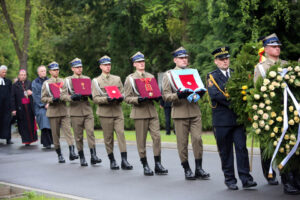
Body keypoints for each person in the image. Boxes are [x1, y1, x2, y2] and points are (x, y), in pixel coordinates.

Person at [254, 34, 299, 195]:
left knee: (294, 144)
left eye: (278, 46)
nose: (277, 48)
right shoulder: (260, 68)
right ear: (266, 49)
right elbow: (259, 92)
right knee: (282, 147)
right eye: (273, 46)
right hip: (274, 113)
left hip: (290, 110)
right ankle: (287, 181)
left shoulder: (286, 64)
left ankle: (297, 179)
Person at [206, 46, 257, 190]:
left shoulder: (236, 74)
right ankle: (230, 179)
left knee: (241, 148)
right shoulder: (212, 76)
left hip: (237, 119)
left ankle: (246, 179)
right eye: (221, 59)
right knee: (226, 151)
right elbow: (216, 95)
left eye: (226, 58)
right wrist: (236, 102)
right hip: (222, 121)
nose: (225, 61)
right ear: (216, 61)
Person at [162, 47, 209, 180]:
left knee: (197, 139)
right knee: (182, 143)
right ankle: (187, 169)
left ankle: (199, 168)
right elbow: (165, 96)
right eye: (181, 58)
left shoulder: (193, 72)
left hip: (194, 110)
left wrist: (200, 93)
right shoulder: (169, 75)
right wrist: (178, 95)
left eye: (186, 58)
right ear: (175, 60)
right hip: (180, 112)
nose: (184, 60)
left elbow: (198, 87)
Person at [124, 52, 168, 176]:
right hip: (139, 112)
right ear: (134, 64)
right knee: (141, 140)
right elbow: (127, 98)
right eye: (138, 62)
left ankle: (158, 164)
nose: (141, 63)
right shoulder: (130, 79)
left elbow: (154, 91)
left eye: (142, 61)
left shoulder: (150, 76)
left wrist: (158, 97)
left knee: (157, 137)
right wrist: (138, 100)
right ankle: (145, 165)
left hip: (152, 111)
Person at [92, 55, 133, 170]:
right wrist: (106, 99)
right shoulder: (96, 81)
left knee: (121, 134)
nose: (108, 67)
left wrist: (121, 97)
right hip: (105, 112)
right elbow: (95, 98)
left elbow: (123, 92)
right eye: (105, 65)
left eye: (109, 64)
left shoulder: (117, 79)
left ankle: (124, 160)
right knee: (108, 138)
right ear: (101, 66)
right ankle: (112, 160)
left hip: (117, 111)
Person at [61, 58, 101, 166]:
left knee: (90, 132)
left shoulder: (87, 79)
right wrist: (71, 97)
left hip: (87, 109)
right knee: (78, 136)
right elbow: (62, 96)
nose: (80, 69)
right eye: (77, 67)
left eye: (81, 67)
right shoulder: (67, 80)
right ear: (73, 68)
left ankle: (93, 155)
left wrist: (91, 95)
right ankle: (82, 157)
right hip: (75, 110)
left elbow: (93, 93)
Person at [41, 62, 78, 163]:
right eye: (54, 70)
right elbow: (43, 98)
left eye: (57, 69)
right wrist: (52, 99)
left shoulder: (63, 81)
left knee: (68, 132)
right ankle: (59, 155)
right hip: (53, 112)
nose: (56, 71)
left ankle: (72, 152)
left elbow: (66, 93)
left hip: (63, 110)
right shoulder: (46, 83)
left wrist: (70, 97)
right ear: (50, 71)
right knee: (55, 135)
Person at [11, 69, 38, 145]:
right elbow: (12, 98)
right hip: (20, 107)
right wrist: (13, 109)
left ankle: (33, 139)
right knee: (23, 124)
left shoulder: (30, 83)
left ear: (26, 76)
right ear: (19, 75)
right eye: (21, 75)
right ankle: (26, 140)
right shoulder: (15, 85)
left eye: (24, 75)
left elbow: (35, 93)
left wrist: (31, 93)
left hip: (29, 107)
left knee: (31, 123)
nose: (23, 76)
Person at [32, 65, 53, 149]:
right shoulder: (35, 82)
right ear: (38, 73)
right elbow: (36, 96)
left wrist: (50, 103)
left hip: (51, 105)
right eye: (42, 71)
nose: (43, 72)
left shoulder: (50, 81)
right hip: (40, 107)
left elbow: (53, 92)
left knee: (52, 124)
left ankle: (52, 141)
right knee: (44, 124)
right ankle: (46, 143)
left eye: (44, 71)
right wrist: (44, 104)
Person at [0, 65, 13, 145]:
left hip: (6, 106)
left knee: (7, 122)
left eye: (5, 72)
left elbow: (11, 94)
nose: (4, 74)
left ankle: (8, 139)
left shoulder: (8, 82)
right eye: (3, 72)